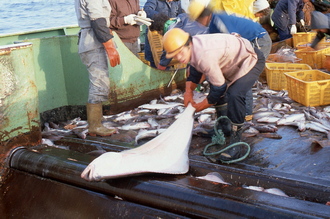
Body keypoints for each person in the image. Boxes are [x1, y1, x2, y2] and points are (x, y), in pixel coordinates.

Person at [162, 28, 265, 161]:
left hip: (251, 59)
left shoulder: (204, 54)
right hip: (232, 62)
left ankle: (236, 141)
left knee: (235, 94)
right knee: (216, 86)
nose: (179, 58)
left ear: (189, 45)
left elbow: (219, 88)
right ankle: (224, 127)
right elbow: (195, 70)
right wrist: (188, 92)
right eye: (175, 56)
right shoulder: (193, 49)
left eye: (180, 53)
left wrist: (201, 106)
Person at [188, 0, 271, 119]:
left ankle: (245, 114)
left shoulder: (219, 21)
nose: (198, 24)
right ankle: (233, 112)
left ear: (204, 16)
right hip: (249, 41)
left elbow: (234, 42)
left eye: (197, 20)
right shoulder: (212, 25)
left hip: (259, 39)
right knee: (234, 76)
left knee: (241, 75)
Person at [74, 0, 120, 137]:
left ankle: (97, 122)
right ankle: (95, 126)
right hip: (92, 43)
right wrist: (110, 48)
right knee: (99, 83)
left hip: (93, 40)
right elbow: (97, 21)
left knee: (100, 82)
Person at [143, 0, 184, 68]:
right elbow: (147, 9)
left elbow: (180, 15)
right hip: (155, 39)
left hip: (171, 40)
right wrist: (161, 18)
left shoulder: (177, 1)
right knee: (156, 65)